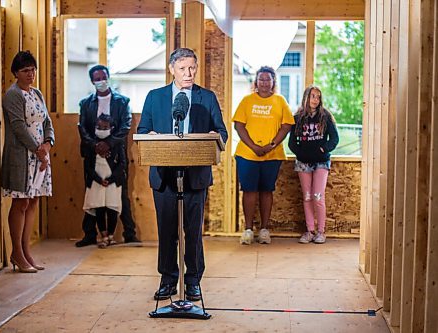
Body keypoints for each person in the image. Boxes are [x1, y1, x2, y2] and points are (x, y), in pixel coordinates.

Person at [137, 48, 228, 301]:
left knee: (193, 231)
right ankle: (167, 280)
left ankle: (193, 281)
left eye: (192, 68)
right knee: (167, 231)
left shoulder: (206, 97)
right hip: (164, 176)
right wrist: (151, 136)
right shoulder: (155, 97)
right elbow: (143, 129)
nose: (189, 73)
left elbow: (221, 131)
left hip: (195, 175)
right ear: (171, 69)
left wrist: (215, 137)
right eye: (183, 69)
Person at [1, 50, 54, 273]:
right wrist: (37, 150)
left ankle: (25, 251)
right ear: (16, 73)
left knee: (33, 202)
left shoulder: (37, 93)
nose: (30, 74)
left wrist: (48, 143)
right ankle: (17, 253)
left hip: (41, 155)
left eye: (32, 69)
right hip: (23, 156)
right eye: (25, 70)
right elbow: (18, 126)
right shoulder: (13, 95)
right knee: (20, 202)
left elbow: (47, 121)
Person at [75, 64, 140, 247]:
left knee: (121, 193)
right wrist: (96, 145)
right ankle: (89, 235)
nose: (100, 81)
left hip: (116, 155)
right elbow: (83, 128)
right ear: (92, 81)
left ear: (108, 77)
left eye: (103, 77)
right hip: (92, 154)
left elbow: (125, 126)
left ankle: (130, 233)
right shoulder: (86, 103)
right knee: (92, 193)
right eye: (96, 79)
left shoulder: (122, 102)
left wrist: (108, 143)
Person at [233, 66, 294, 245]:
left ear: (273, 82)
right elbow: (239, 125)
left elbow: (286, 126)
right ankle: (248, 230)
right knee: (249, 190)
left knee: (267, 190)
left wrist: (271, 145)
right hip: (247, 155)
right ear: (256, 82)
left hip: (272, 155)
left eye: (268, 79)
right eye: (261, 79)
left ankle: (265, 230)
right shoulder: (247, 100)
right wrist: (253, 146)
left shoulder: (280, 101)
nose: (265, 82)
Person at [288, 86, 339, 244]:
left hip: (321, 162)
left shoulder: (326, 117)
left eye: (318, 97)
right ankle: (309, 230)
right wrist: (300, 153)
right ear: (306, 98)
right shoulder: (298, 118)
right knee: (307, 196)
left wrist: (324, 149)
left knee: (318, 196)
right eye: (312, 96)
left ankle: (321, 231)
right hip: (303, 162)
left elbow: (334, 139)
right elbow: (291, 143)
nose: (315, 100)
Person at [82, 114, 126, 248]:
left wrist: (111, 179)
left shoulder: (117, 143)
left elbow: (122, 163)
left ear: (111, 128)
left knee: (112, 208)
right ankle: (103, 236)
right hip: (96, 181)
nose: (101, 129)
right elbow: (87, 165)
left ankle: (111, 236)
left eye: (105, 127)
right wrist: (97, 179)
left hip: (112, 182)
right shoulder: (91, 144)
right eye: (99, 127)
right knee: (99, 208)